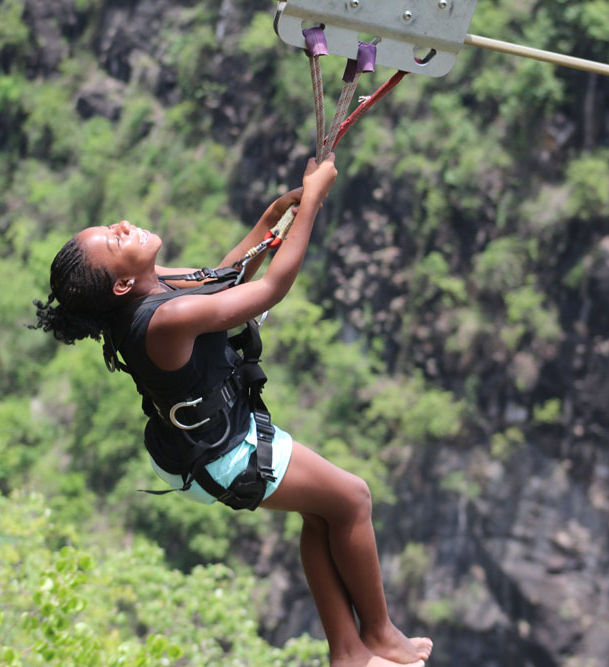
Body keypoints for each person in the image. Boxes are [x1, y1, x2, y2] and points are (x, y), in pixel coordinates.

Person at [32, 154, 432, 667]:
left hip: (198, 446)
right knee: (353, 498)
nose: (126, 225)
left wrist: (275, 217)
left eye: (114, 227)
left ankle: (350, 653)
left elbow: (223, 278)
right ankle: (379, 636)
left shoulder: (148, 290)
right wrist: (309, 208)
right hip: (224, 455)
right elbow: (267, 291)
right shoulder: (164, 320)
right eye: (116, 239)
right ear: (120, 285)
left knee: (323, 511)